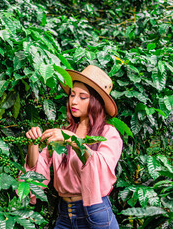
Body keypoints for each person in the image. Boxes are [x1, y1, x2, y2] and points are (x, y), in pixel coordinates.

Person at [25, 65, 123, 229]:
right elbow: (38, 169)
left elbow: (101, 167)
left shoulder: (108, 133)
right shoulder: (64, 133)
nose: (74, 101)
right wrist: (33, 144)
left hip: (95, 213)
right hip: (64, 213)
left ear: (95, 102)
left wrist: (72, 140)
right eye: (72, 95)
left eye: (82, 97)